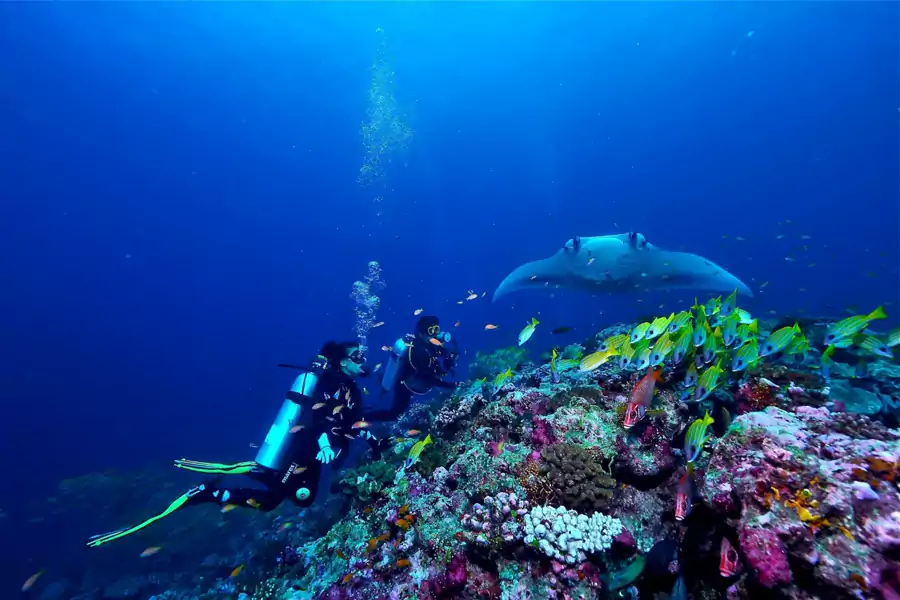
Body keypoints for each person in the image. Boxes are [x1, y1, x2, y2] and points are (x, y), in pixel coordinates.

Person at [87, 340, 385, 548]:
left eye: (361, 355)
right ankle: (209, 490)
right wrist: (322, 442)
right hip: (305, 450)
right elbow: (316, 416)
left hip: (312, 454)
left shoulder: (349, 388)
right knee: (273, 501)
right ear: (341, 362)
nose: (362, 360)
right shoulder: (332, 382)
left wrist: (371, 438)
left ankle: (243, 475)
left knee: (299, 498)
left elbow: (350, 422)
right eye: (356, 356)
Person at [371, 316, 459, 421]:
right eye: (431, 330)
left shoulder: (430, 343)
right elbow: (426, 375)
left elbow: (443, 354)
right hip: (404, 384)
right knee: (395, 414)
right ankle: (364, 419)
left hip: (419, 380)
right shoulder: (418, 351)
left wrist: (450, 359)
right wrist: (448, 385)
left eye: (437, 329)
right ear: (422, 333)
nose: (435, 333)